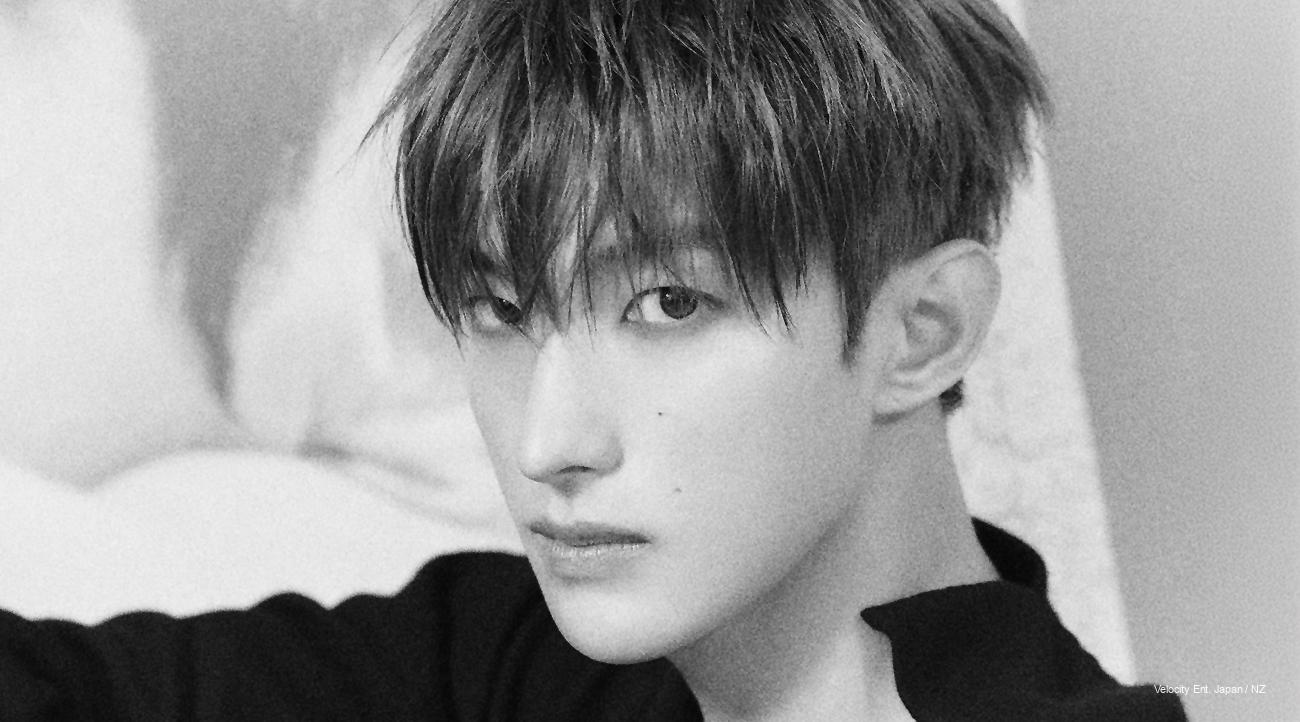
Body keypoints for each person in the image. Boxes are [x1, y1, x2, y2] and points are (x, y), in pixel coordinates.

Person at [1, 0, 1186, 719]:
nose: (548, 441)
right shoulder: (500, 656)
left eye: (669, 302)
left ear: (922, 329)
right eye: (501, 306)